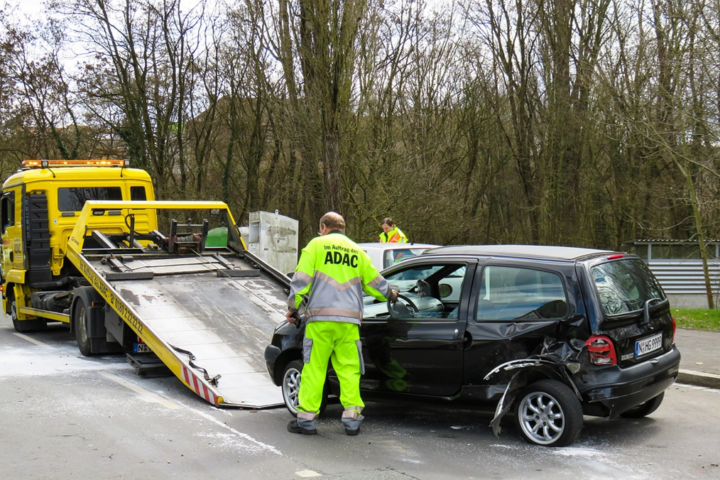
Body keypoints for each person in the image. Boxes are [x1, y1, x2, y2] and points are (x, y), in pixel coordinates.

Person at [286, 212, 398, 436]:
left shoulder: (316, 246)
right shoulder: (358, 251)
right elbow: (375, 283)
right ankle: (352, 420)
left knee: (315, 369)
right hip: (349, 322)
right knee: (349, 370)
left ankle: (307, 420)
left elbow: (301, 281)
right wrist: (391, 294)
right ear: (343, 228)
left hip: (321, 320)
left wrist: (292, 307)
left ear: (324, 227)